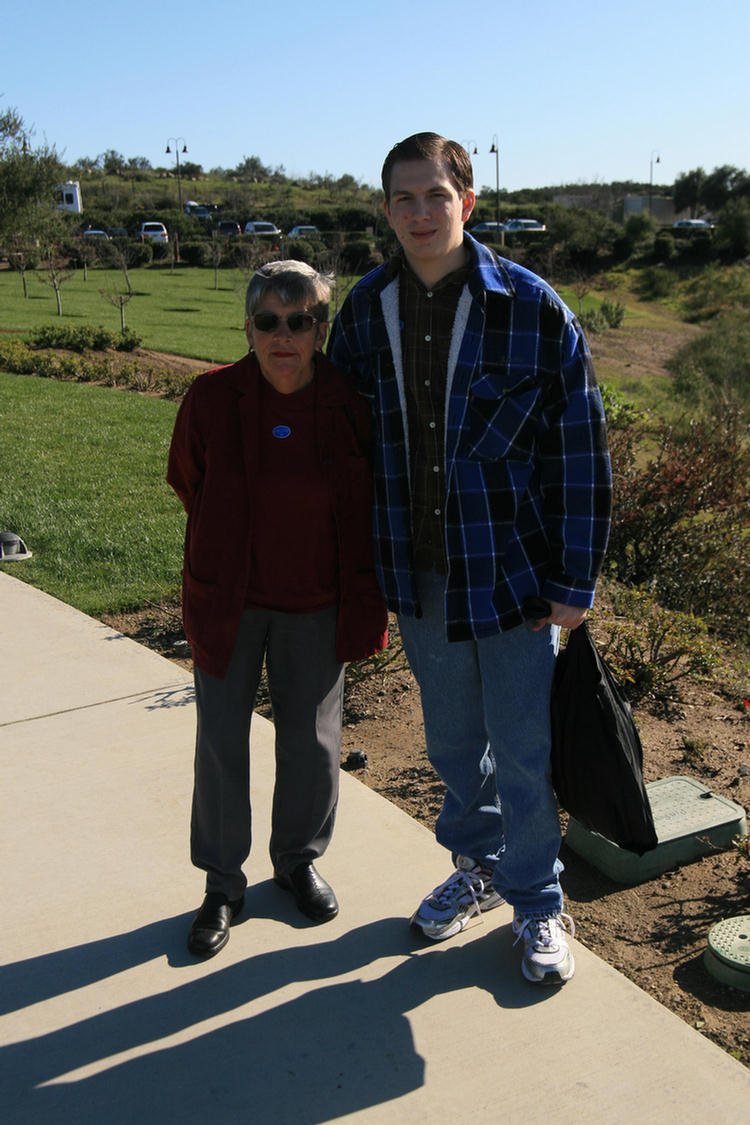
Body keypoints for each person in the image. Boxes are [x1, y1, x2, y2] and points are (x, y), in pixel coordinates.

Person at [329, 133, 612, 984]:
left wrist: (574, 581)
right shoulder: (365, 310)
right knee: (453, 741)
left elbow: (580, 453)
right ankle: (478, 866)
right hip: (415, 574)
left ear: (467, 201)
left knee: (524, 746)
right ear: (385, 210)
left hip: (515, 576)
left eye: (435, 196)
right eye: (402, 199)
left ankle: (537, 901)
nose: (420, 213)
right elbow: (339, 445)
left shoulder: (531, 309)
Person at [168, 260, 388, 958]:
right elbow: (188, 480)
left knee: (314, 743)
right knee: (221, 742)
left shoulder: (351, 403)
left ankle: (296, 860)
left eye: (301, 321)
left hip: (317, 604)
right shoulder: (210, 400)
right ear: (249, 329)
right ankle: (222, 883)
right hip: (228, 600)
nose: (284, 336)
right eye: (269, 322)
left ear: (321, 329)